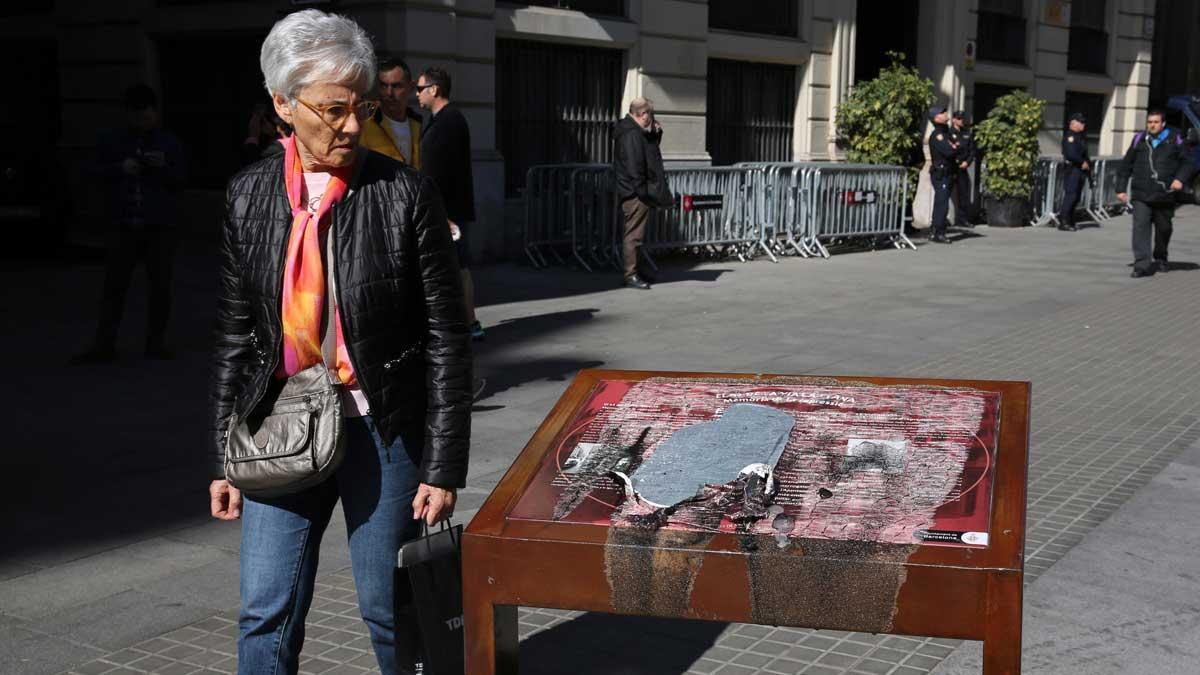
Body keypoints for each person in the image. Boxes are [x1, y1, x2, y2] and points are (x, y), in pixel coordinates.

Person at [206, 10, 472, 674]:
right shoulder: (247, 196)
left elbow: (446, 336)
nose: (353, 125)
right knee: (265, 611)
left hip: (381, 430)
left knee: (390, 610)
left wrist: (442, 464)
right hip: (279, 427)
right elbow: (238, 335)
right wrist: (224, 453)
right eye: (333, 109)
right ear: (282, 104)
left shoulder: (405, 195)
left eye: (363, 107)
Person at [70, 84, 186, 364]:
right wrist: (119, 169)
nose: (142, 123)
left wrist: (163, 167)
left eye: (146, 117)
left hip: (158, 227)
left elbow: (181, 180)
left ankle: (155, 343)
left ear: (155, 114)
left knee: (160, 286)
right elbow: (90, 173)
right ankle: (104, 345)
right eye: (137, 117)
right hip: (123, 225)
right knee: (115, 286)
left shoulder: (169, 143)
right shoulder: (113, 141)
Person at [417, 66, 483, 339]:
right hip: (445, 207)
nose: (416, 94)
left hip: (449, 209)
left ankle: (470, 323)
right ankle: (462, 322)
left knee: (459, 265)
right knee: (452, 265)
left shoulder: (450, 120)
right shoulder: (438, 120)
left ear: (434, 89)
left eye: (420, 89)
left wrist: (443, 211)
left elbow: (444, 171)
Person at [1116, 108, 1194, 277]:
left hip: (1164, 194)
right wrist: (1121, 188)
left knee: (1164, 228)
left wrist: (1179, 179)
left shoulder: (1175, 139)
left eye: (1156, 122)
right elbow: (1126, 165)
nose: (1152, 125)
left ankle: (1160, 257)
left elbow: (1188, 163)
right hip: (1141, 194)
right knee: (1140, 228)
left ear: (1163, 123)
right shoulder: (1139, 140)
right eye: (1150, 122)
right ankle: (1141, 265)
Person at [614, 97, 671, 288]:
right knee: (634, 235)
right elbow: (635, 166)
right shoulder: (631, 134)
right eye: (650, 114)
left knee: (638, 235)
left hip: (636, 191)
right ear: (643, 114)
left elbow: (649, 152)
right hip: (635, 193)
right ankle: (630, 274)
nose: (651, 118)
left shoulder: (635, 132)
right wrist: (642, 192)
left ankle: (636, 270)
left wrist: (656, 135)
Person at [361, 55, 422, 168]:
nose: (389, 93)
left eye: (396, 86)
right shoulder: (366, 124)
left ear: (411, 87)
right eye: (383, 85)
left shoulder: (418, 125)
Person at [926, 104, 955, 244]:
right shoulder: (938, 135)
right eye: (942, 113)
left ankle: (935, 229)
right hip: (940, 173)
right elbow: (950, 151)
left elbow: (958, 146)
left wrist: (955, 146)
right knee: (942, 204)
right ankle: (939, 232)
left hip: (948, 172)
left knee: (941, 203)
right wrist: (954, 147)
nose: (945, 114)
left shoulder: (945, 132)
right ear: (936, 118)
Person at [1058, 112, 1091, 232]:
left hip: (1079, 171)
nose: (1083, 124)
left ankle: (1071, 220)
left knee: (1076, 197)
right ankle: (1064, 221)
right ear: (1073, 123)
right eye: (1081, 122)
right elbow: (1071, 154)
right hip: (1072, 169)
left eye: (1083, 122)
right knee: (1071, 196)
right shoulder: (1070, 137)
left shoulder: (1079, 137)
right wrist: (1082, 162)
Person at [949, 111, 976, 228]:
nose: (961, 121)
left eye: (962, 118)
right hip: (951, 167)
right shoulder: (948, 133)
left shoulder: (967, 134)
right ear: (953, 120)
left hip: (962, 168)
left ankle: (963, 219)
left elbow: (972, 151)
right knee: (945, 194)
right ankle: (943, 219)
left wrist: (967, 162)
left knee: (964, 194)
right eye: (959, 118)